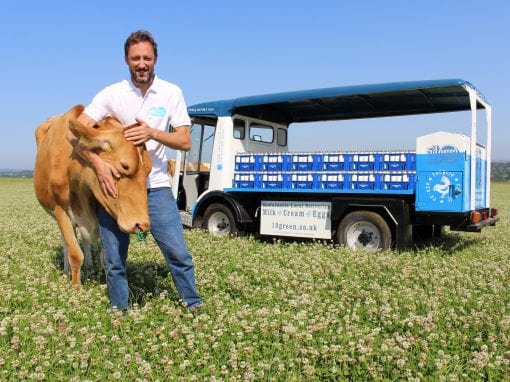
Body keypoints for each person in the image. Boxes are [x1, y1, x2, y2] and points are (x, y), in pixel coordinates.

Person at [67, 30, 201, 311]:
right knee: (114, 258)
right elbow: (73, 133)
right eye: (136, 58)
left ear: (156, 59)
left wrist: (152, 132)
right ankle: (119, 309)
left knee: (178, 252)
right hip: (115, 189)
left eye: (147, 58)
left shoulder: (171, 92)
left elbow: (185, 140)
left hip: (156, 187)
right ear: (127, 60)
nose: (142, 63)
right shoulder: (111, 94)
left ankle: (193, 304)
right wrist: (100, 165)